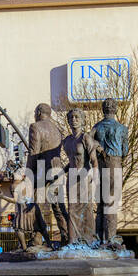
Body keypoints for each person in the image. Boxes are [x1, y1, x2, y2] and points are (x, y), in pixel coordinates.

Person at [27, 103, 68, 245]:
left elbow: (34, 152)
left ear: (38, 112)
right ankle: (67, 236)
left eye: (34, 112)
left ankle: (37, 238)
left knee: (36, 204)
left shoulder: (35, 127)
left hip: (41, 170)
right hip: (57, 169)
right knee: (58, 207)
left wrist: (28, 173)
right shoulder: (58, 129)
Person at [58, 108, 99, 244]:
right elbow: (70, 161)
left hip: (84, 176)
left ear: (82, 120)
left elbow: (93, 159)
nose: (73, 120)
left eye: (76, 117)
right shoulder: (67, 141)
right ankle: (73, 240)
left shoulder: (85, 137)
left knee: (85, 208)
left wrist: (94, 170)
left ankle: (88, 239)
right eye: (71, 118)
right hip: (72, 177)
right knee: (72, 209)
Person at [92, 98, 129, 244]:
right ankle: (110, 239)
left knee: (101, 202)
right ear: (115, 110)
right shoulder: (122, 129)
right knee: (111, 202)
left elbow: (87, 140)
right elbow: (125, 151)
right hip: (114, 163)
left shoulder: (96, 127)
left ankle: (99, 238)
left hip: (100, 165)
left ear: (103, 110)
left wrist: (99, 147)